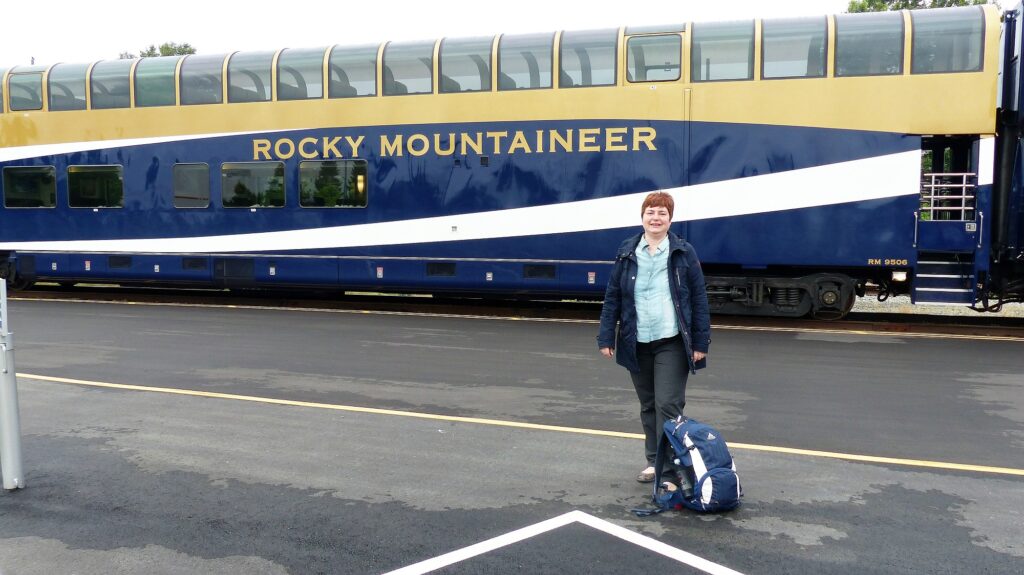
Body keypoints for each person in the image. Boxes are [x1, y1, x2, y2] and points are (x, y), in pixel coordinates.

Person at [597, 191, 711, 484]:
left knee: (668, 405)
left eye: (662, 213)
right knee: (648, 404)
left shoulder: (683, 252)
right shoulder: (627, 251)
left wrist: (700, 342)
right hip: (636, 341)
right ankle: (653, 461)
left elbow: (698, 298)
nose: (656, 218)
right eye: (651, 212)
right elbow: (613, 296)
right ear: (642, 217)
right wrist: (606, 335)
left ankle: (670, 468)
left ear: (670, 219)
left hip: (671, 341)